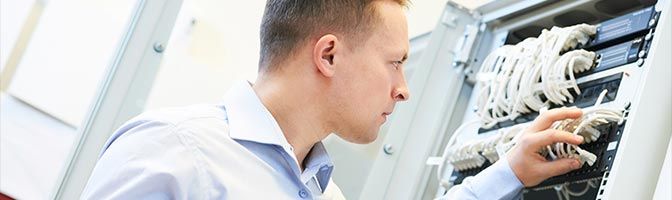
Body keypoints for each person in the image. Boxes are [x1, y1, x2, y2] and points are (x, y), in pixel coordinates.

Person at [81, 0, 586, 199]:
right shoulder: (175, 154)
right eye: (395, 62)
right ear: (328, 54)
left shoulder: (323, 192)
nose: (404, 88)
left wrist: (509, 172)